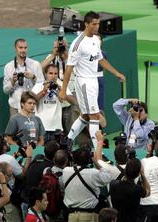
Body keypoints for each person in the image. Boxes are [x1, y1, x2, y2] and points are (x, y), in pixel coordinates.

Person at [58, 11, 125, 150]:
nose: (97, 26)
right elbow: (69, 69)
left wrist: (116, 73)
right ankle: (98, 152)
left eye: (98, 23)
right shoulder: (78, 44)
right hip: (84, 82)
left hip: (93, 80)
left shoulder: (95, 39)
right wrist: (63, 90)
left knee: (86, 116)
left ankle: (67, 141)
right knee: (95, 116)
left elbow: (100, 59)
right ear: (86, 24)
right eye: (94, 24)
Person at [62, 132, 112, 221]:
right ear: (89, 160)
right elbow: (108, 177)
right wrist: (96, 162)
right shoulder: (93, 173)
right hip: (88, 216)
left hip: (71, 216)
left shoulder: (66, 171)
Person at [32, 64, 76, 142]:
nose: (53, 76)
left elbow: (73, 101)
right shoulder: (38, 86)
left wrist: (61, 91)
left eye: (55, 73)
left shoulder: (61, 85)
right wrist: (43, 91)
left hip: (57, 128)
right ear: (45, 74)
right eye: (50, 73)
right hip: (41, 127)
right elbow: (31, 101)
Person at [3, 38, 44, 117]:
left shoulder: (35, 64)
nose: (23, 50)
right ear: (15, 48)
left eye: (25, 48)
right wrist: (12, 81)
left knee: (32, 129)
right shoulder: (8, 67)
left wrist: (33, 77)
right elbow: (5, 90)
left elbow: (42, 85)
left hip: (31, 106)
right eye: (20, 48)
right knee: (17, 129)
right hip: (15, 106)